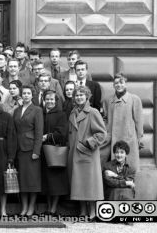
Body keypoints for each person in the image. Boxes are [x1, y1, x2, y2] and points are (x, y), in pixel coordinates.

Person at [67, 85, 106, 220]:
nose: (78, 97)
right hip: (74, 154)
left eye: (81, 95)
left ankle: (93, 212)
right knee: (79, 184)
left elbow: (101, 134)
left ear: (87, 96)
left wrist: (88, 143)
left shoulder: (93, 112)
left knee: (90, 184)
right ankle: (83, 211)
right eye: (76, 95)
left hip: (88, 153)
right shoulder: (72, 112)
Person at [10, 85, 43, 217]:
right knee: (22, 180)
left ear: (32, 95)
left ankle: (31, 207)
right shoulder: (17, 110)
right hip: (19, 148)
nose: (26, 95)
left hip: (31, 149)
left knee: (32, 180)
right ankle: (23, 208)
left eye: (28, 93)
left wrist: (37, 150)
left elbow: (39, 132)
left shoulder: (37, 110)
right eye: (24, 93)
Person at [103, 73, 143, 171]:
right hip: (112, 139)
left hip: (129, 138)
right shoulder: (108, 100)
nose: (119, 85)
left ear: (126, 84)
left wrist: (139, 138)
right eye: (116, 83)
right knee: (113, 169)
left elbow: (139, 121)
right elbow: (105, 119)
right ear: (113, 85)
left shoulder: (134, 99)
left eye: (121, 82)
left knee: (129, 168)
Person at [40, 90, 69, 216]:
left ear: (56, 101)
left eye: (52, 99)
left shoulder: (61, 114)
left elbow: (62, 133)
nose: (50, 101)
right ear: (44, 100)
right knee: (46, 181)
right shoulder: (40, 112)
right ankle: (48, 207)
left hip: (55, 150)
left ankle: (53, 209)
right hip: (43, 151)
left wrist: (48, 136)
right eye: (47, 99)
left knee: (56, 181)